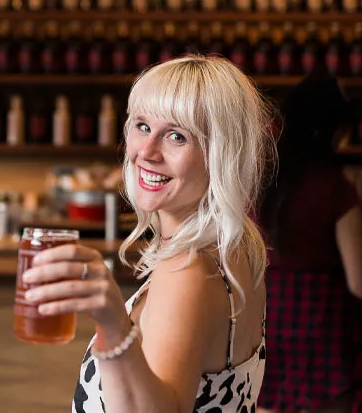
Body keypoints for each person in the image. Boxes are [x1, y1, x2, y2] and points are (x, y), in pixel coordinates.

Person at [21, 55, 275, 413]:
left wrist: (112, 323)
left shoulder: (187, 269)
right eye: (142, 125)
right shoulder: (238, 246)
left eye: (176, 136)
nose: (147, 152)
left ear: (222, 154)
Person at [256, 74, 362, 413]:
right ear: (335, 131)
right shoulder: (336, 188)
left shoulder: (260, 183)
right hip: (323, 328)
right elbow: (360, 285)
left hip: (265, 319)